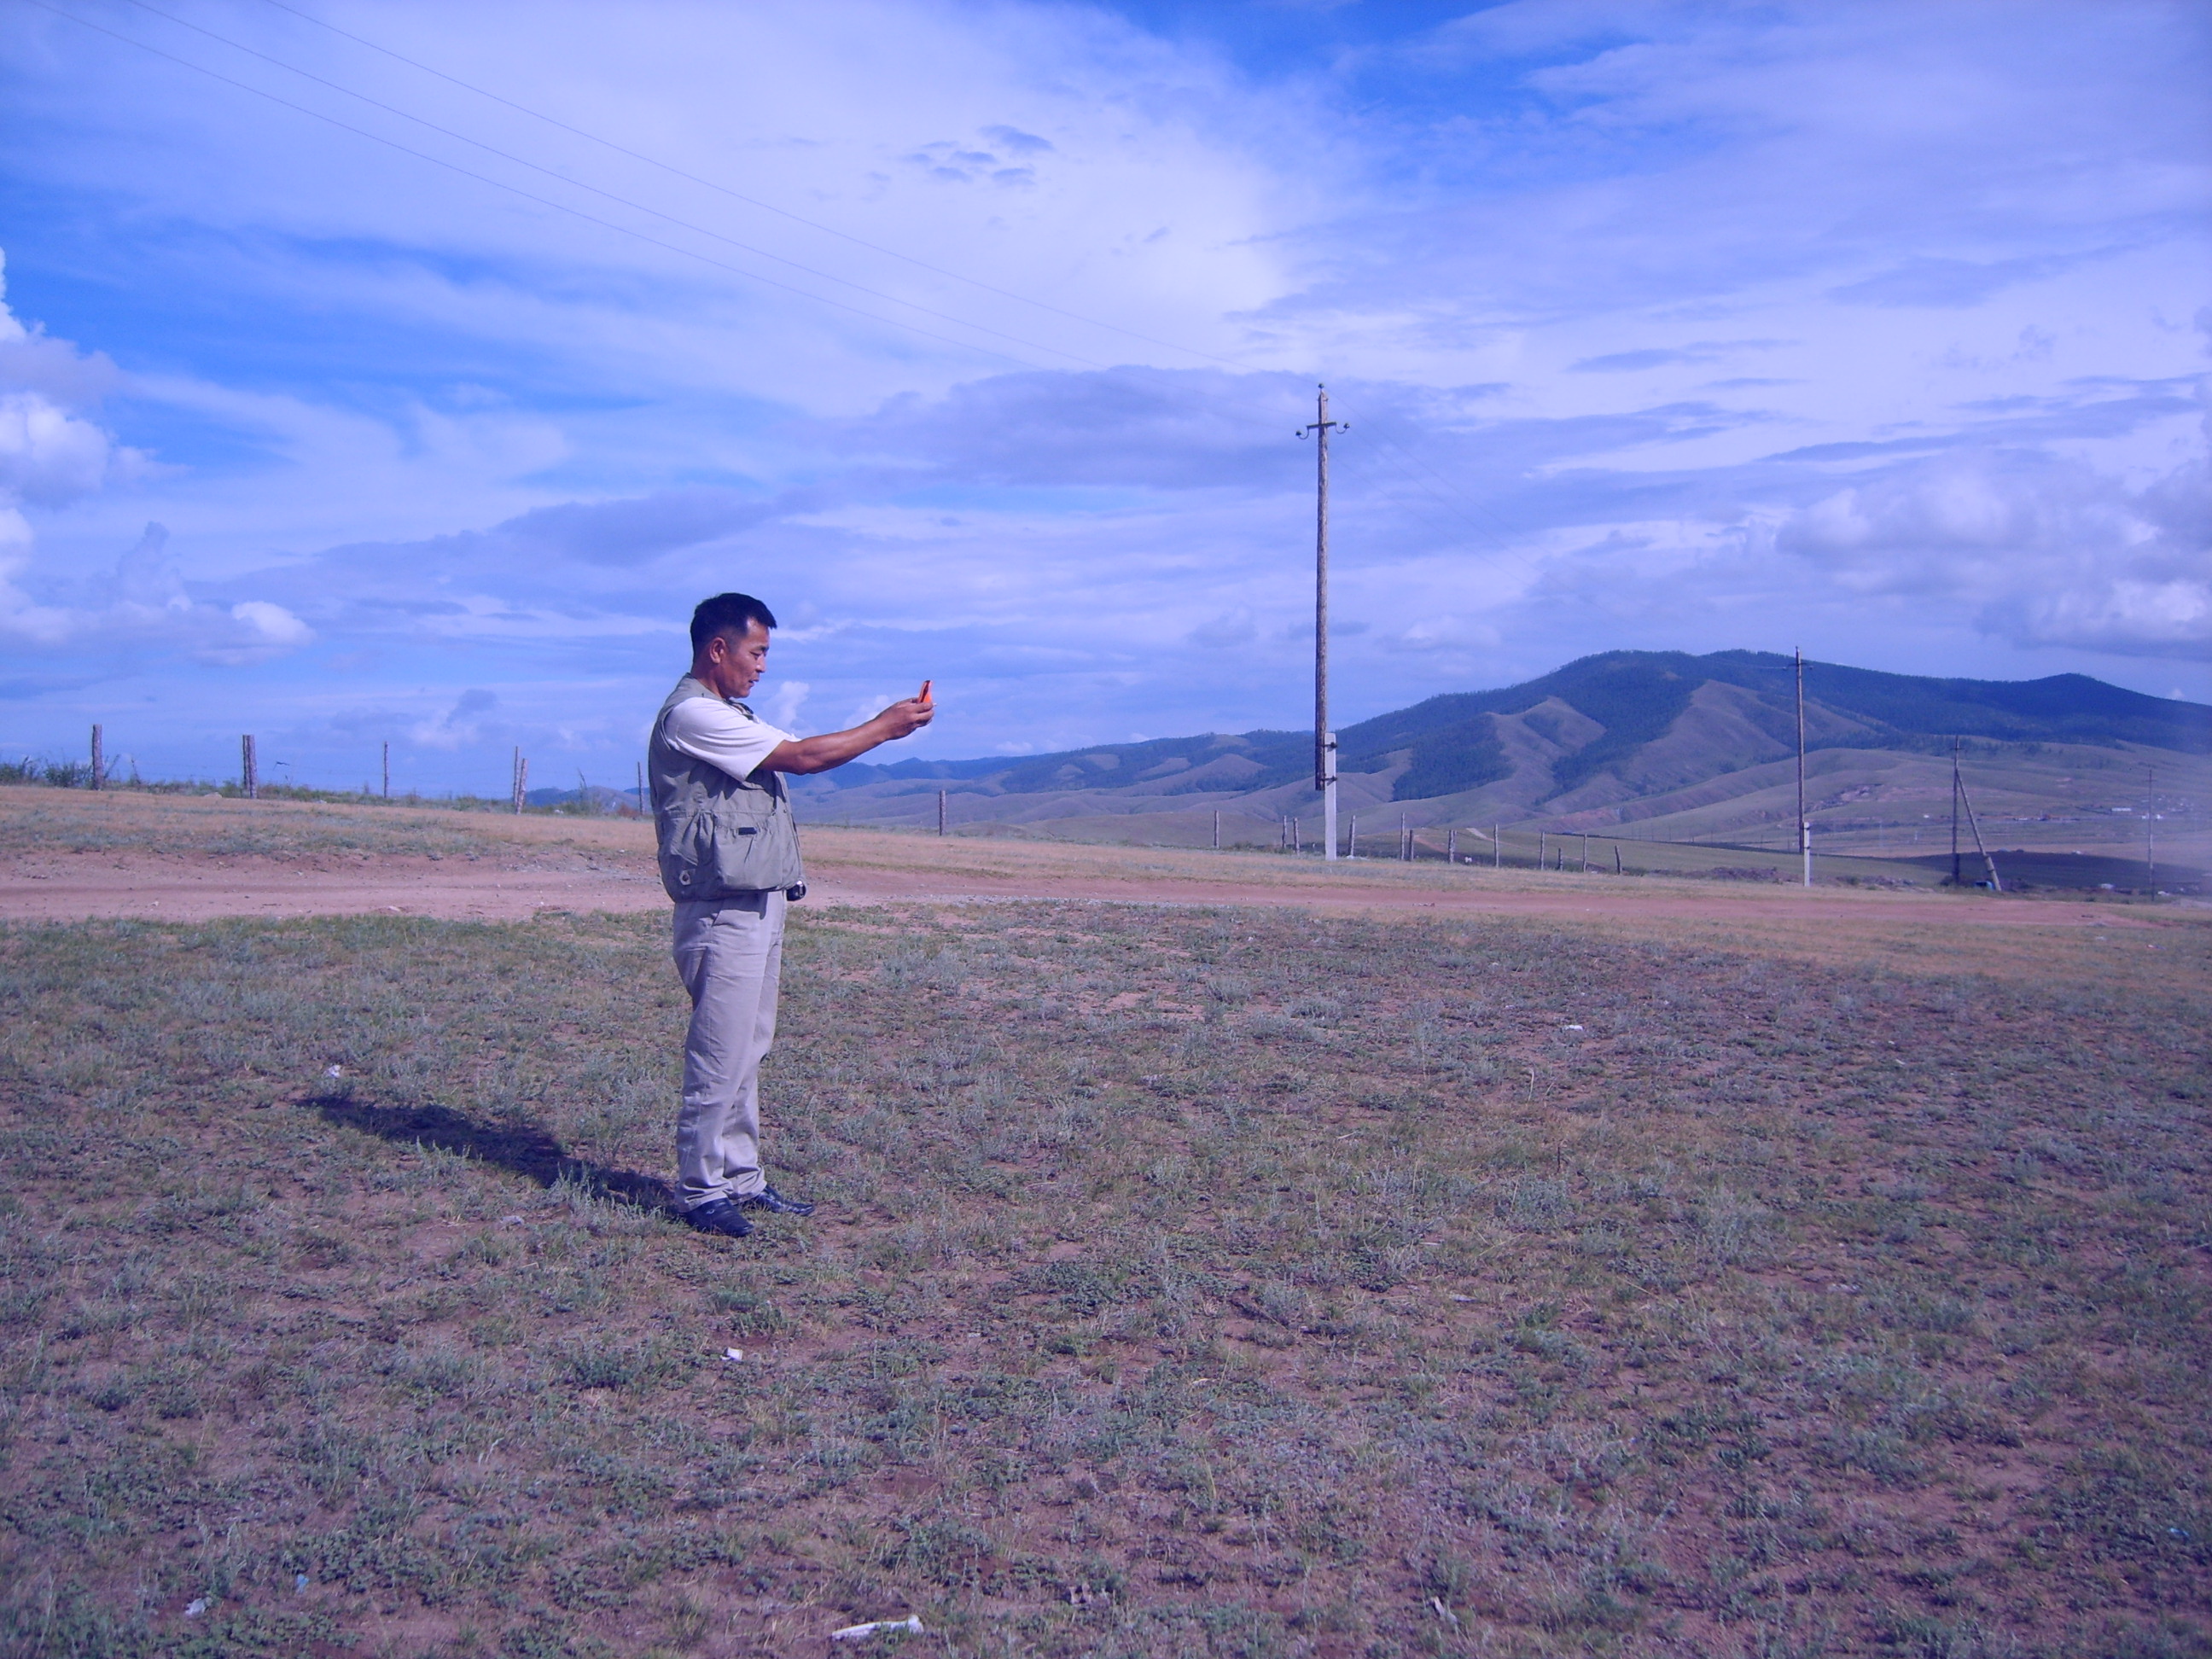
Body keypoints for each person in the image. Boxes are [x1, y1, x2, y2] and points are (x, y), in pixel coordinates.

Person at [649, 591, 934, 1238]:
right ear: (717, 649)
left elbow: (800, 752)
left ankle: (742, 1180)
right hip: (722, 913)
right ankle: (700, 1191)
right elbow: (804, 758)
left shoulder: (725, 713)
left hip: (758, 905)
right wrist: (887, 725)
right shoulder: (694, 716)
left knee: (747, 1049)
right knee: (719, 1057)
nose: (763, 667)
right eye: (757, 653)